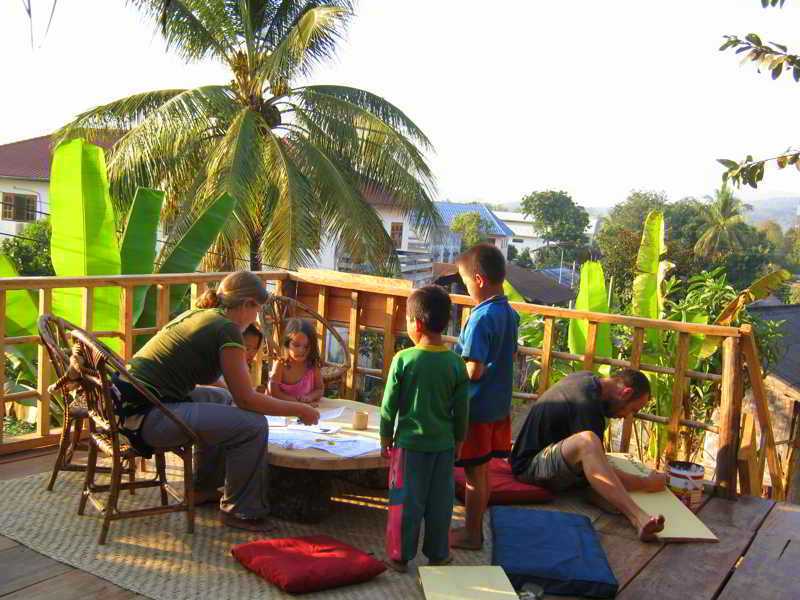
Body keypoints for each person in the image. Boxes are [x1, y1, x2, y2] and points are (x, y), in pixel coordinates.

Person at [114, 271, 319, 532]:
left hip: (129, 405)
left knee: (223, 399)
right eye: (256, 309)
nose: (256, 317)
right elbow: (247, 400)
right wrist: (299, 409)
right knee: (253, 426)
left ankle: (203, 488)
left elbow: (233, 393)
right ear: (246, 305)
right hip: (144, 418)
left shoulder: (200, 314)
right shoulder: (227, 329)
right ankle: (241, 511)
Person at [508, 369, 667, 541]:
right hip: (529, 468)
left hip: (546, 456)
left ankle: (595, 493)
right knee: (588, 442)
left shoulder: (587, 380)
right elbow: (597, 464)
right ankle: (639, 518)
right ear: (625, 393)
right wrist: (647, 483)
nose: (626, 416)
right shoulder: (585, 403)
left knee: (602, 470)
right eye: (632, 409)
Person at [380, 285, 469, 572]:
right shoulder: (456, 364)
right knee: (440, 504)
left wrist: (384, 437)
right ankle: (438, 553)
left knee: (406, 502)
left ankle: (400, 555)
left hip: (409, 447)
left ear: (416, 324)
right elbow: (462, 410)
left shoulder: (403, 360)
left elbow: (388, 406)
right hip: (443, 447)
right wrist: (459, 440)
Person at [450, 244, 519, 551]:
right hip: (498, 406)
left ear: (478, 280)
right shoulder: (510, 313)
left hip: (475, 409)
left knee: (473, 475)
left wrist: (447, 373)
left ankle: (472, 534)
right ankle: (475, 529)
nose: (466, 290)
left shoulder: (480, 318)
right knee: (484, 472)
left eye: (465, 283)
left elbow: (474, 370)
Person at [267, 318, 324, 406]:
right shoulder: (281, 364)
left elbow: (319, 389)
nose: (301, 350)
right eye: (296, 345)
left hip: (304, 409)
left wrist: (310, 397)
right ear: (287, 343)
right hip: (280, 411)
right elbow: (274, 392)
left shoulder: (312, 365)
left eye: (306, 346)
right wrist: (297, 403)